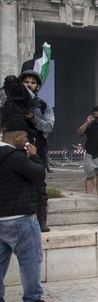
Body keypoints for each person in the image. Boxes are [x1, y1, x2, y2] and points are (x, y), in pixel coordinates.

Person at [0, 114, 61, 302]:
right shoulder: (16, 157)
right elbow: (39, 174)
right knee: (30, 260)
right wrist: (34, 156)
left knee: (1, 262)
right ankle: (32, 300)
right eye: (25, 136)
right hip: (20, 218)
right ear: (17, 136)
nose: (27, 140)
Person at [1, 72, 54, 231]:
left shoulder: (43, 105)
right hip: (11, 149)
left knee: (39, 185)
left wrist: (32, 116)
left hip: (35, 147)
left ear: (37, 86)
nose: (29, 84)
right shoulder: (7, 102)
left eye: (33, 82)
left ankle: (41, 222)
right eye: (26, 81)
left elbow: (48, 127)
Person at [77, 106, 98, 195]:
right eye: (95, 115)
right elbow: (79, 132)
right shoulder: (89, 125)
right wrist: (86, 123)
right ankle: (88, 196)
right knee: (90, 177)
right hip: (90, 155)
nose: (96, 116)